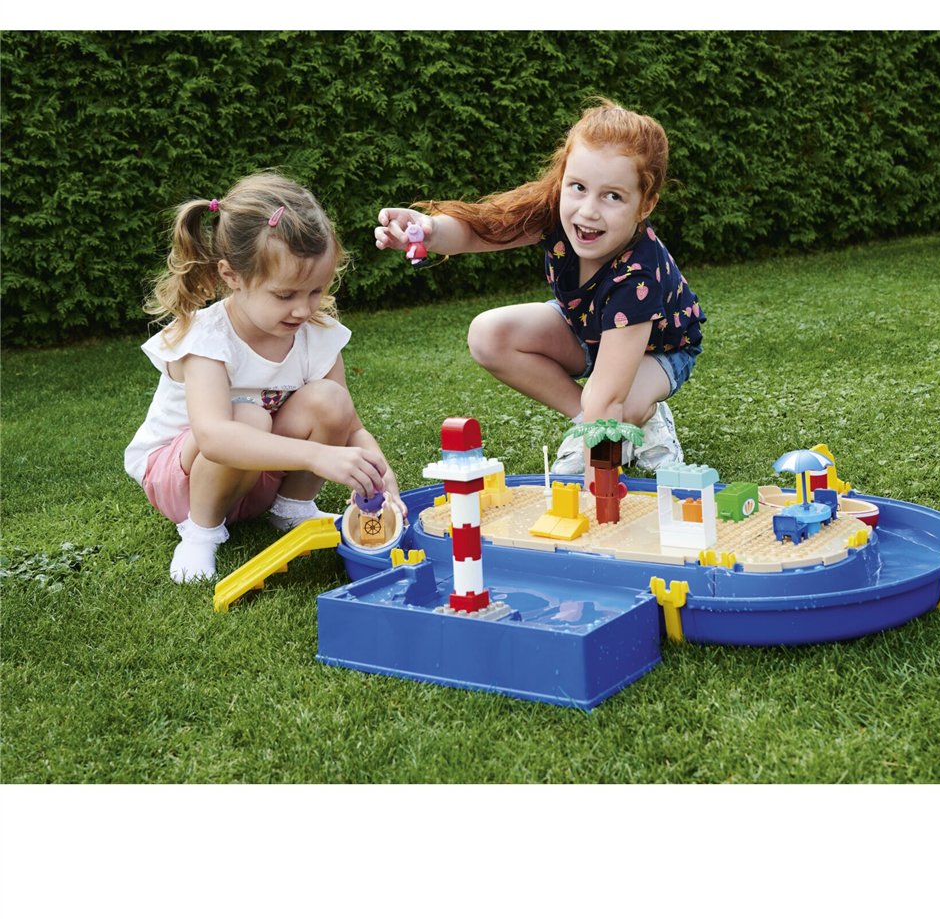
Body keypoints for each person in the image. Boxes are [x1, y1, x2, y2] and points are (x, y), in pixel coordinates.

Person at [375, 99, 704, 476]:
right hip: (588, 329)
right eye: (578, 187)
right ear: (563, 179)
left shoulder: (637, 276)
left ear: (645, 205)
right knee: (489, 335)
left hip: (659, 350)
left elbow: (606, 398)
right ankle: (587, 423)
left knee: (619, 406)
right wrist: (428, 230)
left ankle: (646, 417)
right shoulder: (553, 211)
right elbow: (484, 230)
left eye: (612, 196)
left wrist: (594, 489)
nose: (588, 210)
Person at [125, 171, 403, 584]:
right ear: (231, 277)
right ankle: (200, 533)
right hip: (182, 480)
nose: (303, 309)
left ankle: (292, 510)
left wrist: (382, 474)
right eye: (285, 295)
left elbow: (352, 428)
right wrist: (317, 456)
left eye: (315, 291)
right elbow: (214, 437)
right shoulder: (208, 339)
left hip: (257, 474)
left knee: (331, 400)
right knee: (249, 416)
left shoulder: (315, 334)